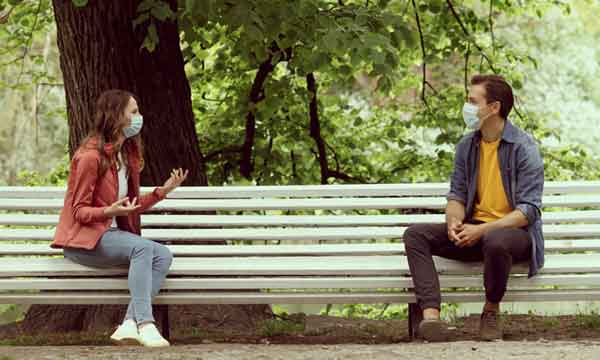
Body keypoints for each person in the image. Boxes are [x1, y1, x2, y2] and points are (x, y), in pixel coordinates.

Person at [404, 74, 544, 341]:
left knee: (495, 239)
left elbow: (528, 211)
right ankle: (431, 317)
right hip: (475, 231)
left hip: (513, 236)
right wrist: (454, 222)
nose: (467, 107)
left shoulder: (524, 148)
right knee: (415, 234)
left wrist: (482, 231)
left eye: (472, 101)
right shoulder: (467, 145)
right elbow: (456, 194)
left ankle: (491, 311)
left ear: (494, 107)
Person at [51, 89, 188, 347]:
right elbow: (79, 211)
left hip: (111, 237)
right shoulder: (90, 157)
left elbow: (131, 206)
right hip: (82, 242)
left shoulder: (125, 157)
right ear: (116, 117)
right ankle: (146, 324)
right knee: (143, 248)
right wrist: (108, 212)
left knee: (163, 255)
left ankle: (128, 324)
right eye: (134, 112)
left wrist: (163, 191)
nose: (140, 117)